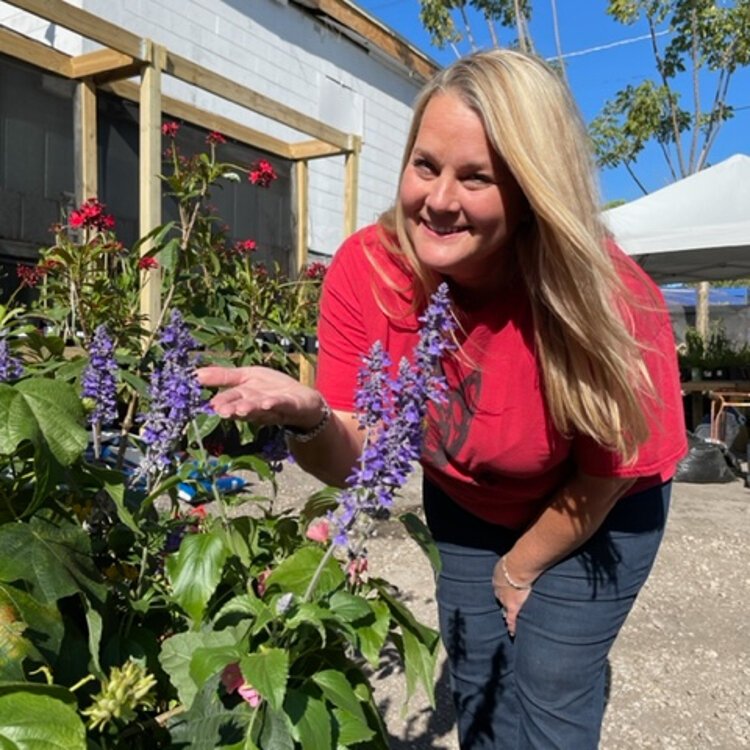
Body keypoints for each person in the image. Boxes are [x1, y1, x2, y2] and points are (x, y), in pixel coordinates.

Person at [198, 48, 687, 749]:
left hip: (598, 506)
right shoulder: (366, 272)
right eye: (425, 166)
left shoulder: (605, 298)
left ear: (528, 192)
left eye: (476, 178)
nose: (439, 200)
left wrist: (519, 571)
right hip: (467, 496)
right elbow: (355, 459)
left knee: (550, 675)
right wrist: (311, 419)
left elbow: (606, 472)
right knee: (479, 675)